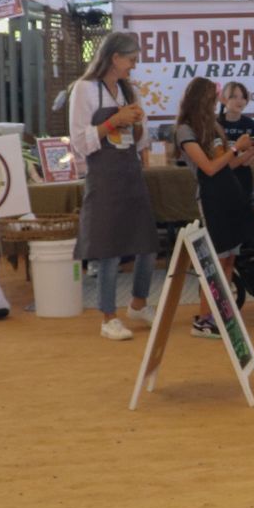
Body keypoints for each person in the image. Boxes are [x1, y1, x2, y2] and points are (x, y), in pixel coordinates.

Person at [68, 32, 158, 342]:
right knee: (108, 248)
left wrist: (135, 122)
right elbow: (80, 142)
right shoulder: (84, 89)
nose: (134, 66)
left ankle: (138, 303)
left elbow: (140, 138)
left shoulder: (126, 89)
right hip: (104, 176)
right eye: (131, 60)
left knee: (146, 243)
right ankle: (108, 317)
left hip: (130, 173)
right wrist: (114, 121)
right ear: (115, 58)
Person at [174, 78, 254, 336]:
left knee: (229, 260)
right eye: (212, 100)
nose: (216, 105)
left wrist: (249, 152)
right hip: (212, 198)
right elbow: (209, 168)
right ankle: (204, 318)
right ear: (200, 100)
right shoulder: (184, 130)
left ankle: (219, 312)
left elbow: (228, 165)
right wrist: (237, 147)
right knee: (216, 260)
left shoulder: (213, 127)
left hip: (231, 194)